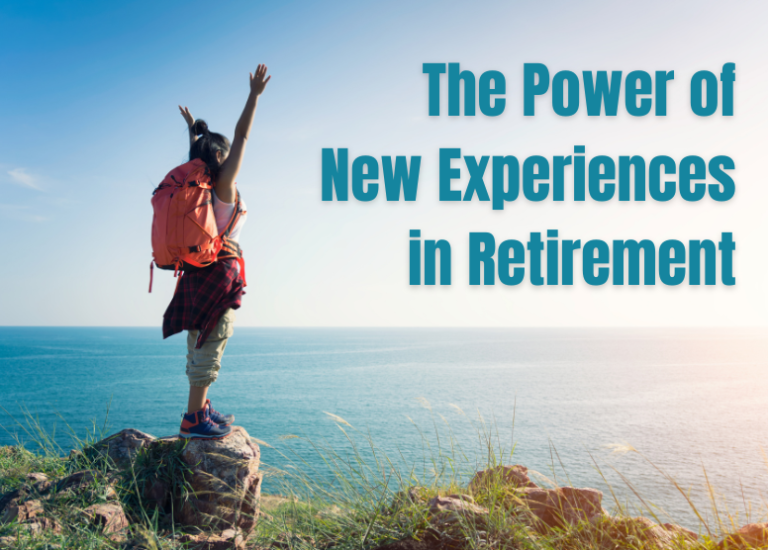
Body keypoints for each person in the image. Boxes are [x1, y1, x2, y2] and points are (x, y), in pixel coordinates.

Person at [163, 64, 271, 439]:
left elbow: (201, 154)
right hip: (217, 272)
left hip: (195, 270)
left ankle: (200, 408)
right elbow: (242, 136)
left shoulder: (201, 185)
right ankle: (194, 420)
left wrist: (195, 130)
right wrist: (254, 95)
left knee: (199, 341)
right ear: (220, 157)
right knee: (213, 340)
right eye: (225, 154)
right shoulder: (222, 186)